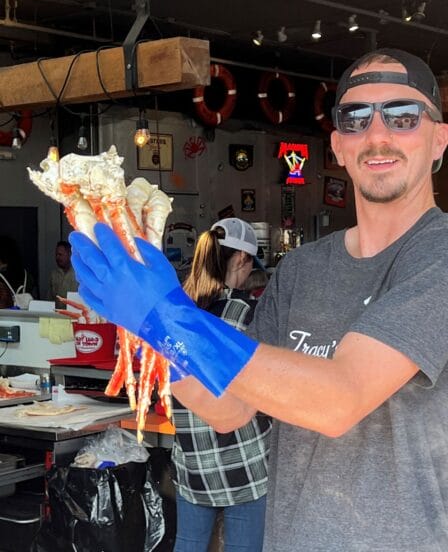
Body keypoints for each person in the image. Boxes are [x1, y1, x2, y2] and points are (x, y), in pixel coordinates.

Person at [69, 48, 448, 551]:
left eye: (403, 116)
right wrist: (141, 328)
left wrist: (167, 316)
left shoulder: (437, 257)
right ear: (337, 145)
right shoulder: (303, 270)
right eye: (356, 119)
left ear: (439, 138)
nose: (378, 135)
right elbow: (227, 409)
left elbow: (339, 399)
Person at [171, 218, 271, 552]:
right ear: (242, 260)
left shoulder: (176, 312)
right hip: (244, 462)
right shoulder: (246, 313)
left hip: (192, 459)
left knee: (188, 545)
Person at [49, 241, 78, 308]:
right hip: (56, 315)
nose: (57, 257)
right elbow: (49, 300)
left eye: (60, 254)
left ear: (69, 254)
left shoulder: (79, 274)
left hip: (74, 315)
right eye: (56, 255)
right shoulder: (54, 275)